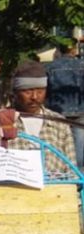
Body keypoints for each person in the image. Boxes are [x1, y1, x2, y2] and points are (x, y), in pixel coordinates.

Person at [0, 60, 76, 174]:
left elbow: (71, 172)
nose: (34, 97)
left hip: (54, 189)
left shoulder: (59, 123)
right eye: (27, 91)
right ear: (15, 93)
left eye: (40, 91)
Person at [47, 39, 84, 169]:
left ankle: (60, 172)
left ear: (59, 50)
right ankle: (78, 176)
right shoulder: (82, 65)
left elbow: (47, 89)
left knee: (58, 144)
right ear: (74, 49)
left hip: (56, 110)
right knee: (79, 147)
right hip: (80, 110)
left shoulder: (50, 67)